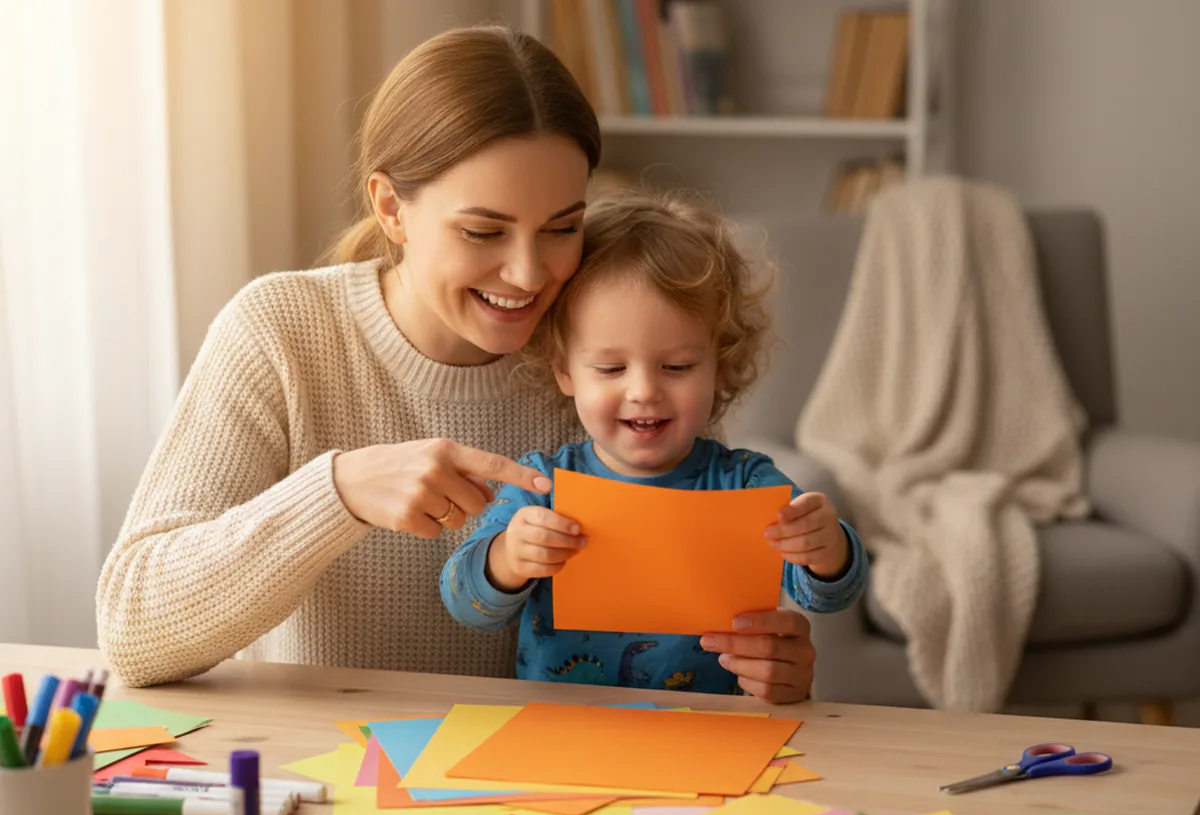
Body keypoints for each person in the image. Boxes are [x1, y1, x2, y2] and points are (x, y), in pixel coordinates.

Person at [96, 26, 822, 702]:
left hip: (548, 777)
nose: (529, 273)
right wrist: (337, 491)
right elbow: (133, 632)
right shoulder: (281, 332)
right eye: (483, 230)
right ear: (391, 208)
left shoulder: (605, 354)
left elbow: (690, 605)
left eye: (562, 227)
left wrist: (763, 663)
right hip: (330, 779)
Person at [441, 191, 868, 699]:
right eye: (611, 368)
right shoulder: (542, 485)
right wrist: (507, 559)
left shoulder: (746, 482)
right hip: (565, 734)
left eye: (677, 366)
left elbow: (829, 594)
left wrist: (829, 548)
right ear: (564, 370)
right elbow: (465, 604)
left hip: (714, 732)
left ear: (719, 368)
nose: (644, 391)